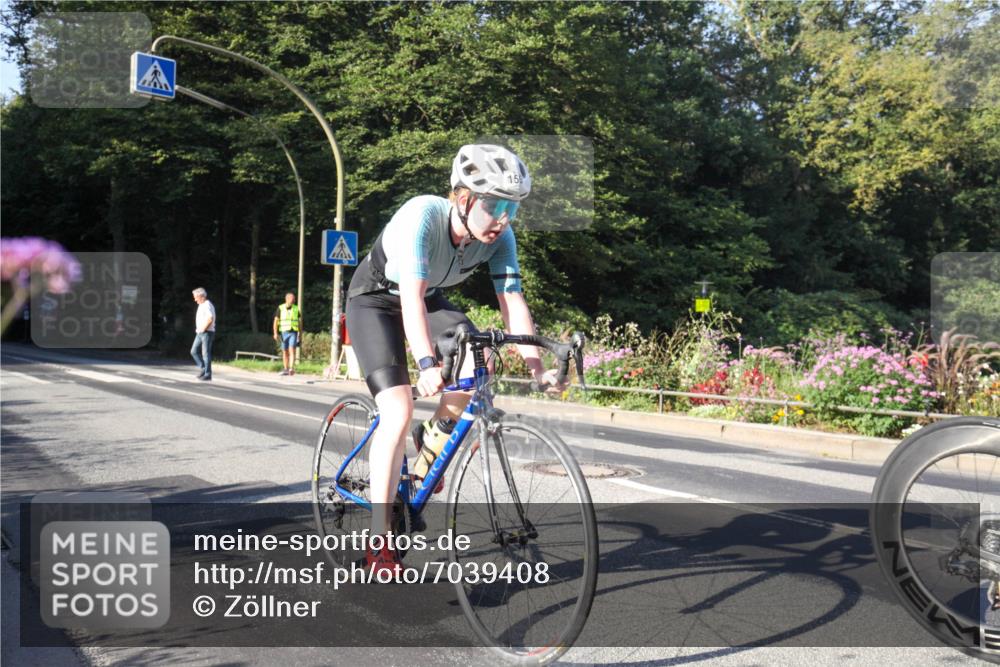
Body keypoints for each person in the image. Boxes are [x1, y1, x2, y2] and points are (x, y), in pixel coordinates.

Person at [346, 144, 563, 577]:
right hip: (374, 301)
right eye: (495, 205)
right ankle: (379, 541)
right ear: (463, 199)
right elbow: (408, 297)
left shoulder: (500, 237)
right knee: (398, 408)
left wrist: (538, 368)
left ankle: (433, 438)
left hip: (426, 299)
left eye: (512, 209)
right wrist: (425, 364)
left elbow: (511, 301)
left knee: (478, 357)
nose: (503, 219)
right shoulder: (421, 216)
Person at [272, 292, 302, 376]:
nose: (294, 300)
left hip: (293, 331)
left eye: (294, 299)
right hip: (283, 332)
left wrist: (300, 333)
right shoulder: (280, 308)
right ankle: (285, 369)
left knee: (291, 350)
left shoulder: (296, 309)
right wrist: (275, 333)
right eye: (292, 299)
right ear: (287, 299)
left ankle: (291, 368)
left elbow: (299, 322)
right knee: (285, 351)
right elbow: (276, 321)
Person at [191, 287, 216, 381]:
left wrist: (203, 329)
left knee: (205, 353)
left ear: (201, 296)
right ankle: (203, 368)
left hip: (207, 332)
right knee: (193, 351)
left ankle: (208, 374)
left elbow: (210, 319)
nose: (194, 299)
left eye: (195, 297)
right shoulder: (201, 305)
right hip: (200, 333)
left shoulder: (207, 304)